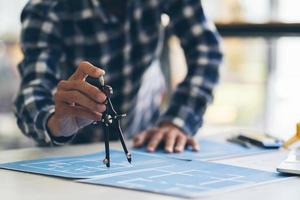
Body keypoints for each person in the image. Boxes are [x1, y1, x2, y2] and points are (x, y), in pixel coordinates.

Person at [15, 0, 223, 153]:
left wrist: (177, 121)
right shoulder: (46, 8)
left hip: (145, 142)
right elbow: (34, 89)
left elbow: (206, 49)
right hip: (70, 149)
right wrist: (55, 121)